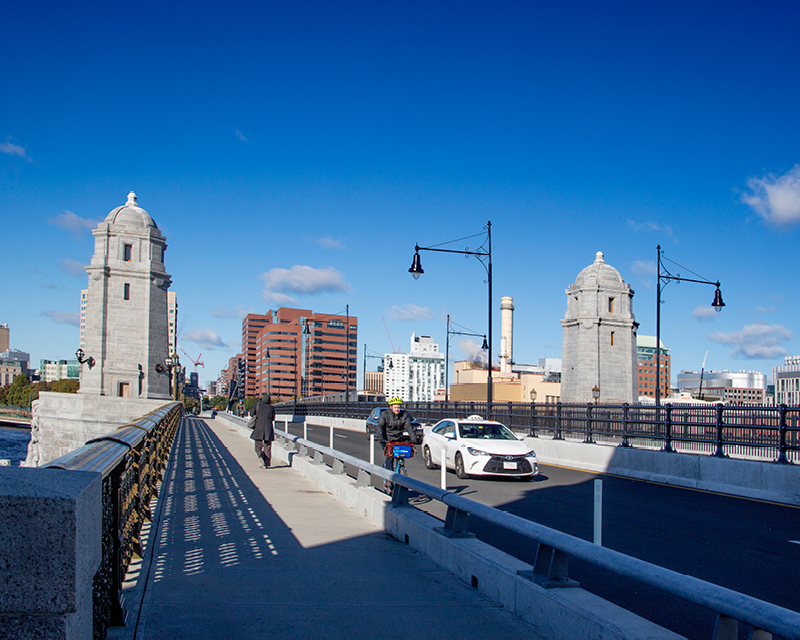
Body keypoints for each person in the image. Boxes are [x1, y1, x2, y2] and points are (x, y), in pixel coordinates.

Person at [377, 396, 413, 474]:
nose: (397, 409)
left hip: (398, 439)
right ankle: (388, 478)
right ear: (391, 407)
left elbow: (409, 428)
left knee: (401, 456)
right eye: (395, 407)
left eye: (398, 407)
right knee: (390, 457)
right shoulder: (385, 414)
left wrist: (413, 438)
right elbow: (380, 427)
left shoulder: (404, 415)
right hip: (387, 439)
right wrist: (381, 438)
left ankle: (400, 470)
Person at [250, 394, 275, 468]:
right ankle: (267, 463)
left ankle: (260, 456)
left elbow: (252, 414)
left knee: (258, 445)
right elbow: (273, 418)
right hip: (268, 428)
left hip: (259, 427)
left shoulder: (257, 405)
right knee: (267, 446)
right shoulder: (271, 407)